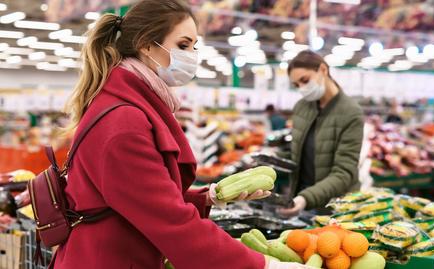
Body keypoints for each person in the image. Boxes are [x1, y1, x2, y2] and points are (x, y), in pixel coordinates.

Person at [54, 1, 313, 269]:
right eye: (183, 45)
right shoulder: (124, 121)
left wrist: (209, 197)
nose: (192, 55)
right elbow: (170, 221)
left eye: (194, 46)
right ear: (146, 45)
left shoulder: (124, 106)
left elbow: (137, 200)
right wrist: (264, 266)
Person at [278, 50, 365, 217]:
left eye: (305, 80)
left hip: (336, 209)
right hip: (302, 201)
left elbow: (344, 172)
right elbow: (298, 154)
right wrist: (269, 159)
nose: (302, 88)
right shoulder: (302, 107)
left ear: (323, 70)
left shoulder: (351, 113)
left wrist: (305, 198)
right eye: (297, 85)